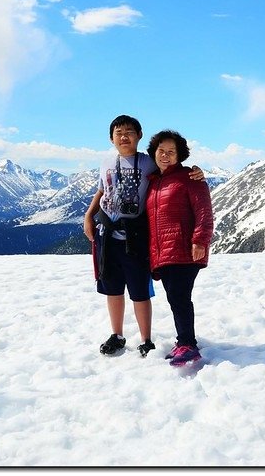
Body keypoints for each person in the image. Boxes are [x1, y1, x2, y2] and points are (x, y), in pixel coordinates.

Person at [83, 115, 203, 358]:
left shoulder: (149, 163)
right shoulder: (106, 161)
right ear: (111, 138)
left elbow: (173, 170)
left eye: (129, 131)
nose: (124, 136)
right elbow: (101, 189)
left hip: (136, 236)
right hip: (107, 235)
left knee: (139, 289)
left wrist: (197, 171)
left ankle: (146, 339)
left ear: (139, 135)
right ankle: (117, 334)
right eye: (119, 132)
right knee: (112, 289)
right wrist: (89, 215)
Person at [145, 130, 214, 365]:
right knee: (176, 297)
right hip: (163, 251)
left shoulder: (190, 178)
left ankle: (188, 344)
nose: (165, 155)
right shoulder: (154, 181)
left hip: (183, 248)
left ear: (180, 154)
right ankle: (184, 340)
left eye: (171, 151)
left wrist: (200, 241)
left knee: (180, 297)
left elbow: (204, 212)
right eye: (161, 151)